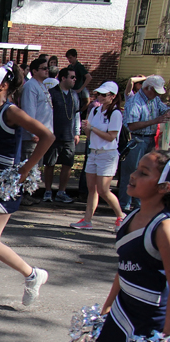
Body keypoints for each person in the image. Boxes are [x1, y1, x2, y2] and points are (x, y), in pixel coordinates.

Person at [80, 149, 170, 342]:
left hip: (151, 316)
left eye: (144, 173)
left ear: (165, 186)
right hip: (123, 309)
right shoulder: (131, 215)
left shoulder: (164, 228)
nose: (133, 175)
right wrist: (107, 306)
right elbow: (124, 267)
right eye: (137, 169)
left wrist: (165, 340)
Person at [0, 63, 54, 306]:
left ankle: (33, 274)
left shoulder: (11, 112)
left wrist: (26, 169)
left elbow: (48, 136)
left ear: (3, 86)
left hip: (4, 183)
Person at [71, 82, 125, 231]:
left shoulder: (115, 113)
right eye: (98, 94)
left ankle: (121, 216)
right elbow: (89, 136)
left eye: (104, 94)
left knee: (103, 190)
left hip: (107, 154)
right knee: (92, 188)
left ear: (112, 96)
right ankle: (87, 220)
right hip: (93, 152)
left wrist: (92, 128)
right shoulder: (95, 110)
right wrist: (86, 128)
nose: (100, 97)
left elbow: (111, 137)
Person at [121, 75, 170, 211]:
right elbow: (131, 126)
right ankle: (124, 205)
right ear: (147, 88)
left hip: (149, 139)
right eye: (154, 91)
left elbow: (164, 110)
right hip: (136, 139)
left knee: (145, 172)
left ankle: (139, 203)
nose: (155, 95)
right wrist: (155, 120)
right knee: (131, 172)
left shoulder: (154, 100)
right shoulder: (134, 101)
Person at [19, 57, 59, 204]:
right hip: (33, 136)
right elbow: (29, 111)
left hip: (43, 136)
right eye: (43, 68)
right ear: (34, 71)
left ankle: (29, 192)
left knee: (35, 167)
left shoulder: (42, 86)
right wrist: (33, 132)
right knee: (28, 162)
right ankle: (20, 194)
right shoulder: (30, 86)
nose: (47, 70)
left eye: (47, 68)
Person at [44, 67, 80, 205]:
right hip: (54, 135)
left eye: (75, 77)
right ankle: (48, 190)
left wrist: (77, 132)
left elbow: (77, 114)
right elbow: (47, 114)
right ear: (63, 78)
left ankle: (61, 191)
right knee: (50, 163)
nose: (74, 80)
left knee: (67, 163)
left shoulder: (74, 95)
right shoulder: (52, 93)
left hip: (69, 135)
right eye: (72, 77)